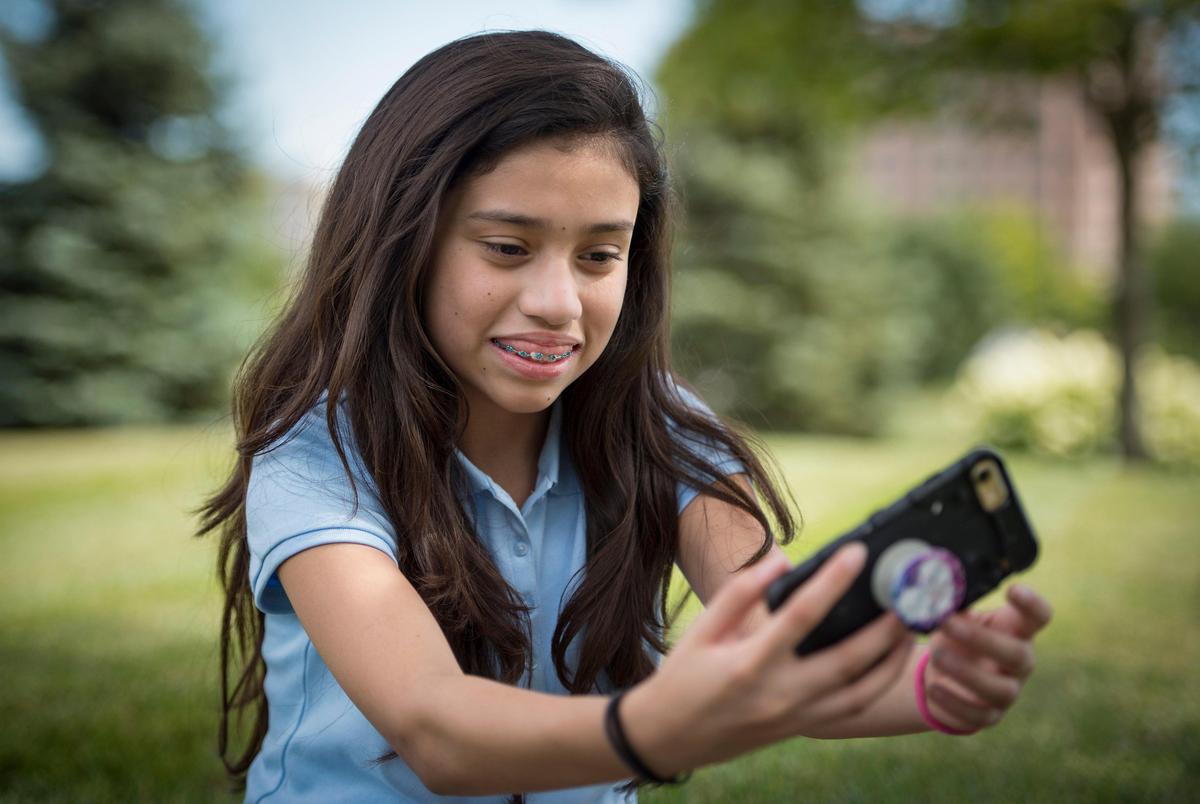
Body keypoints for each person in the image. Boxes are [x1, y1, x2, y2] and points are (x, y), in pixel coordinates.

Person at [196, 30, 1053, 804]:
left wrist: (928, 690)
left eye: (599, 256)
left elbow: (778, 650)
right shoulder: (316, 452)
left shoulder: (662, 426)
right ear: (402, 241)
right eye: (507, 247)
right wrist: (648, 730)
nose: (557, 302)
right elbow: (435, 730)